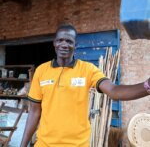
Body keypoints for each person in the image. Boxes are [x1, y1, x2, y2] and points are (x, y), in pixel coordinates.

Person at [21, 23, 150, 147]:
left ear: (75, 45)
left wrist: (146, 86)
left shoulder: (87, 70)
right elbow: (34, 112)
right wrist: (23, 144)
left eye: (69, 41)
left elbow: (113, 90)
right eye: (60, 40)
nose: (64, 44)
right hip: (44, 145)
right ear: (54, 43)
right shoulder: (41, 71)